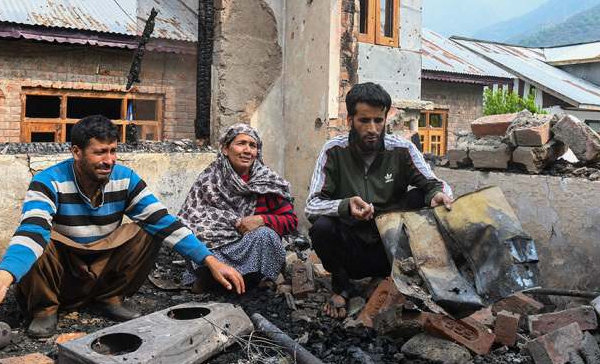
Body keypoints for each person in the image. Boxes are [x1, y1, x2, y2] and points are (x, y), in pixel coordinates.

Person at [0, 115, 244, 338]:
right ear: (76, 152)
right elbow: (32, 229)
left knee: (149, 230)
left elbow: (164, 221)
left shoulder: (125, 179)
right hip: (63, 264)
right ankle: (44, 309)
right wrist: (2, 279)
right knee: (42, 239)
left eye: (113, 151)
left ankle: (110, 297)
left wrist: (209, 260)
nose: (109, 160)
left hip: (103, 260)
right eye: (100, 152)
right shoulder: (47, 181)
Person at [305, 82, 453, 319]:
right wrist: (346, 207)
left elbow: (435, 183)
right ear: (350, 119)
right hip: (350, 249)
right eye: (364, 120)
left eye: (379, 120)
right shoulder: (333, 150)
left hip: (388, 247)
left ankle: (387, 277)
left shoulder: (402, 149)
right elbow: (311, 206)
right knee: (322, 226)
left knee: (419, 197)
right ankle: (342, 287)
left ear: (386, 119)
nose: (372, 128)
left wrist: (437, 194)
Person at [177, 123, 296, 292]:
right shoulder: (208, 180)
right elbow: (187, 221)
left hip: (248, 252)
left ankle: (234, 283)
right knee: (190, 238)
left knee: (266, 235)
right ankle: (218, 279)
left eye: (252, 145)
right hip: (213, 255)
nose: (247, 150)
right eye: (241, 143)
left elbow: (291, 221)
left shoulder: (266, 182)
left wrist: (262, 220)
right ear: (225, 149)